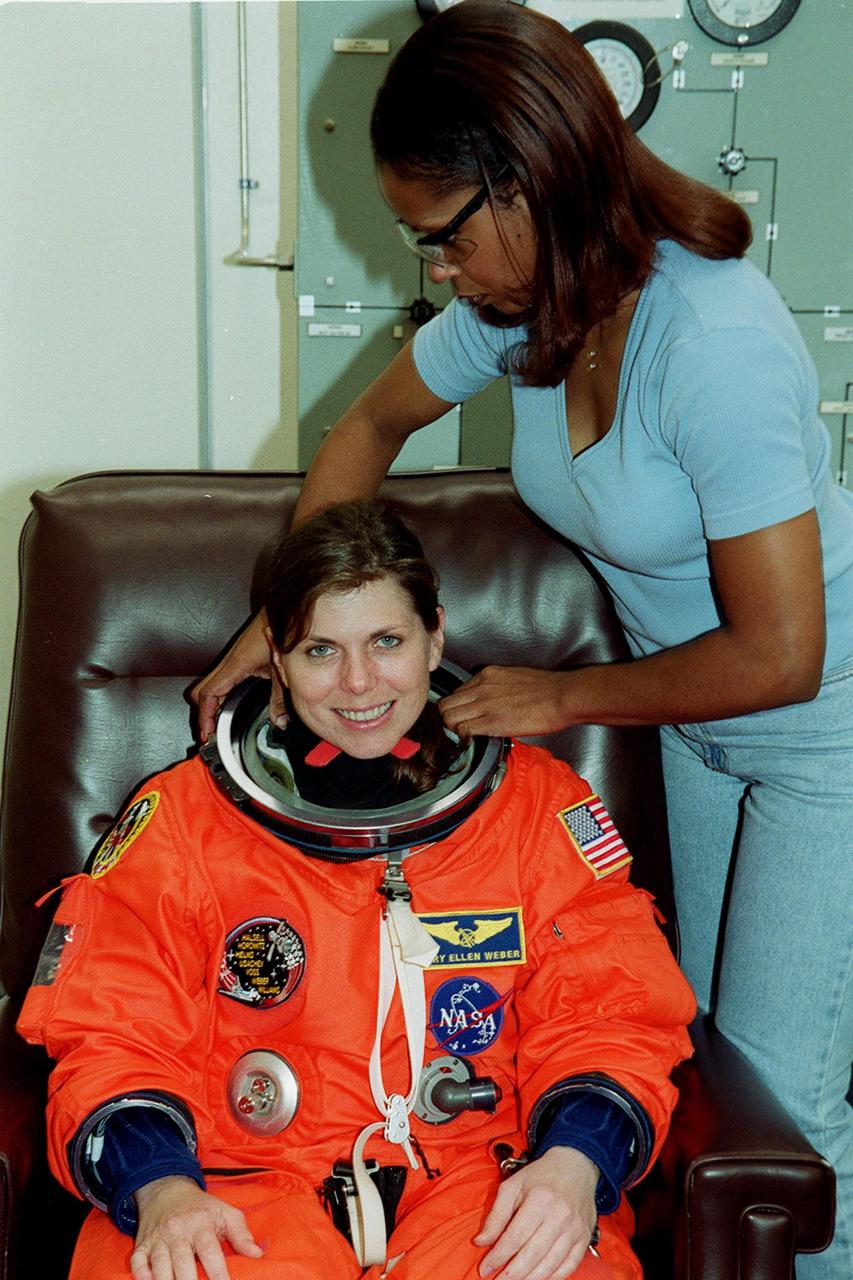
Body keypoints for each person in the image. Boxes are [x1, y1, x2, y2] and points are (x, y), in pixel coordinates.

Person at [192, 4, 853, 1276]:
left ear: (527, 184)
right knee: (703, 1061)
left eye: (441, 235)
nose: (433, 268)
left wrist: (559, 697)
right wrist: (274, 627)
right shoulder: (528, 305)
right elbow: (364, 432)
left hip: (818, 728)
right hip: (700, 730)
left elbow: (784, 655)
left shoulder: (712, 338)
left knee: (785, 1111)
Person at [19, 500, 695, 1280]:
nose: (359, 682)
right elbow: (110, 1036)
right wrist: (162, 1189)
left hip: (487, 1178)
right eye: (319, 650)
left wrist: (573, 1165)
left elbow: (611, 1016)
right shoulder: (179, 821)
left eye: (387, 641)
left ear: (435, 634)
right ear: (274, 655)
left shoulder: (538, 810)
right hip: (234, 1188)